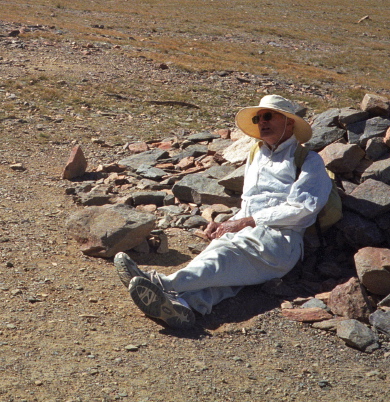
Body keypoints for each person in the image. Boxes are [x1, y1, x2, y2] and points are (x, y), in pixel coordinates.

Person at [115, 94, 332, 328]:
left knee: (225, 254)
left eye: (268, 116)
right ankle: (183, 307)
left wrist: (246, 222)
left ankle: (161, 283)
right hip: (252, 233)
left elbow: (304, 208)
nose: (262, 122)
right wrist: (230, 222)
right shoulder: (256, 154)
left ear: (289, 122)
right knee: (225, 275)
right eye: (258, 118)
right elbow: (249, 203)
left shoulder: (308, 160)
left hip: (281, 241)